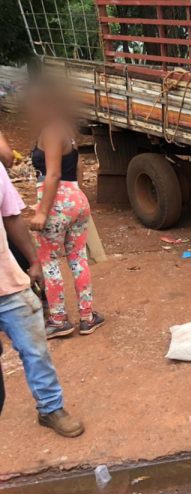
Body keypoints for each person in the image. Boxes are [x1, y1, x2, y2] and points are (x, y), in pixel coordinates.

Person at [0, 160, 84, 435]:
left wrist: (34, 261)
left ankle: (50, 409)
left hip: (8, 285)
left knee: (35, 349)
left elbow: (11, 216)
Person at [27, 82, 104, 339]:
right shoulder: (67, 131)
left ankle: (59, 319)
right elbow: (77, 170)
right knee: (78, 258)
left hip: (56, 200)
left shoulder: (49, 132)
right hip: (75, 198)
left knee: (49, 260)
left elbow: (53, 174)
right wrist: (75, 199)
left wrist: (42, 212)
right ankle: (87, 316)